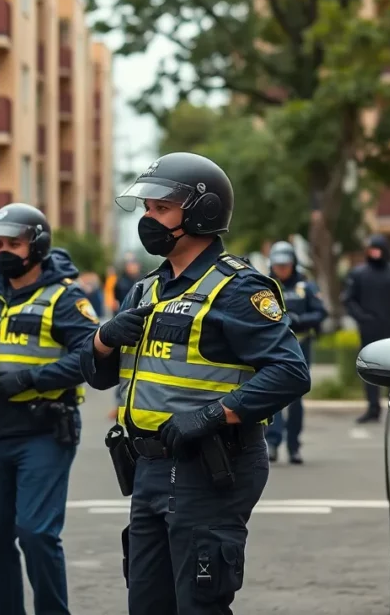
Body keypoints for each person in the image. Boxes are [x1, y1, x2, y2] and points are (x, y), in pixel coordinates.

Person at [78, 152, 311, 615]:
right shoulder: (144, 289)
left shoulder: (241, 289)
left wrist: (212, 414)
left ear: (202, 213)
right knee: (147, 603)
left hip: (210, 465)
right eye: (146, 209)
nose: (148, 219)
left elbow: (290, 372)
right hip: (146, 467)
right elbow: (99, 376)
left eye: (160, 209)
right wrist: (105, 338)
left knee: (198, 605)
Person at [0, 203, 100, 615]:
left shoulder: (66, 298)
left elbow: (93, 357)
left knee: (35, 532)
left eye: (14, 243)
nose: (3, 251)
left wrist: (34, 379)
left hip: (45, 430)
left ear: (38, 245)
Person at [265, 240, 327, 464]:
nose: (282, 269)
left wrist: (301, 320)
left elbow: (321, 313)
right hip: (271, 348)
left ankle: (294, 446)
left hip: (300, 347)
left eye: (286, 265)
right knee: (271, 397)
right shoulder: (264, 286)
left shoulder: (305, 287)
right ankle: (272, 443)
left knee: (295, 399)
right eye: (278, 265)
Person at [342, 233, 390, 424]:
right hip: (369, 330)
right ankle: (373, 409)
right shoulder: (359, 274)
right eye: (371, 249)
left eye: (378, 249)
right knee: (370, 371)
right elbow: (348, 299)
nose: (375, 253)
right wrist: (362, 318)